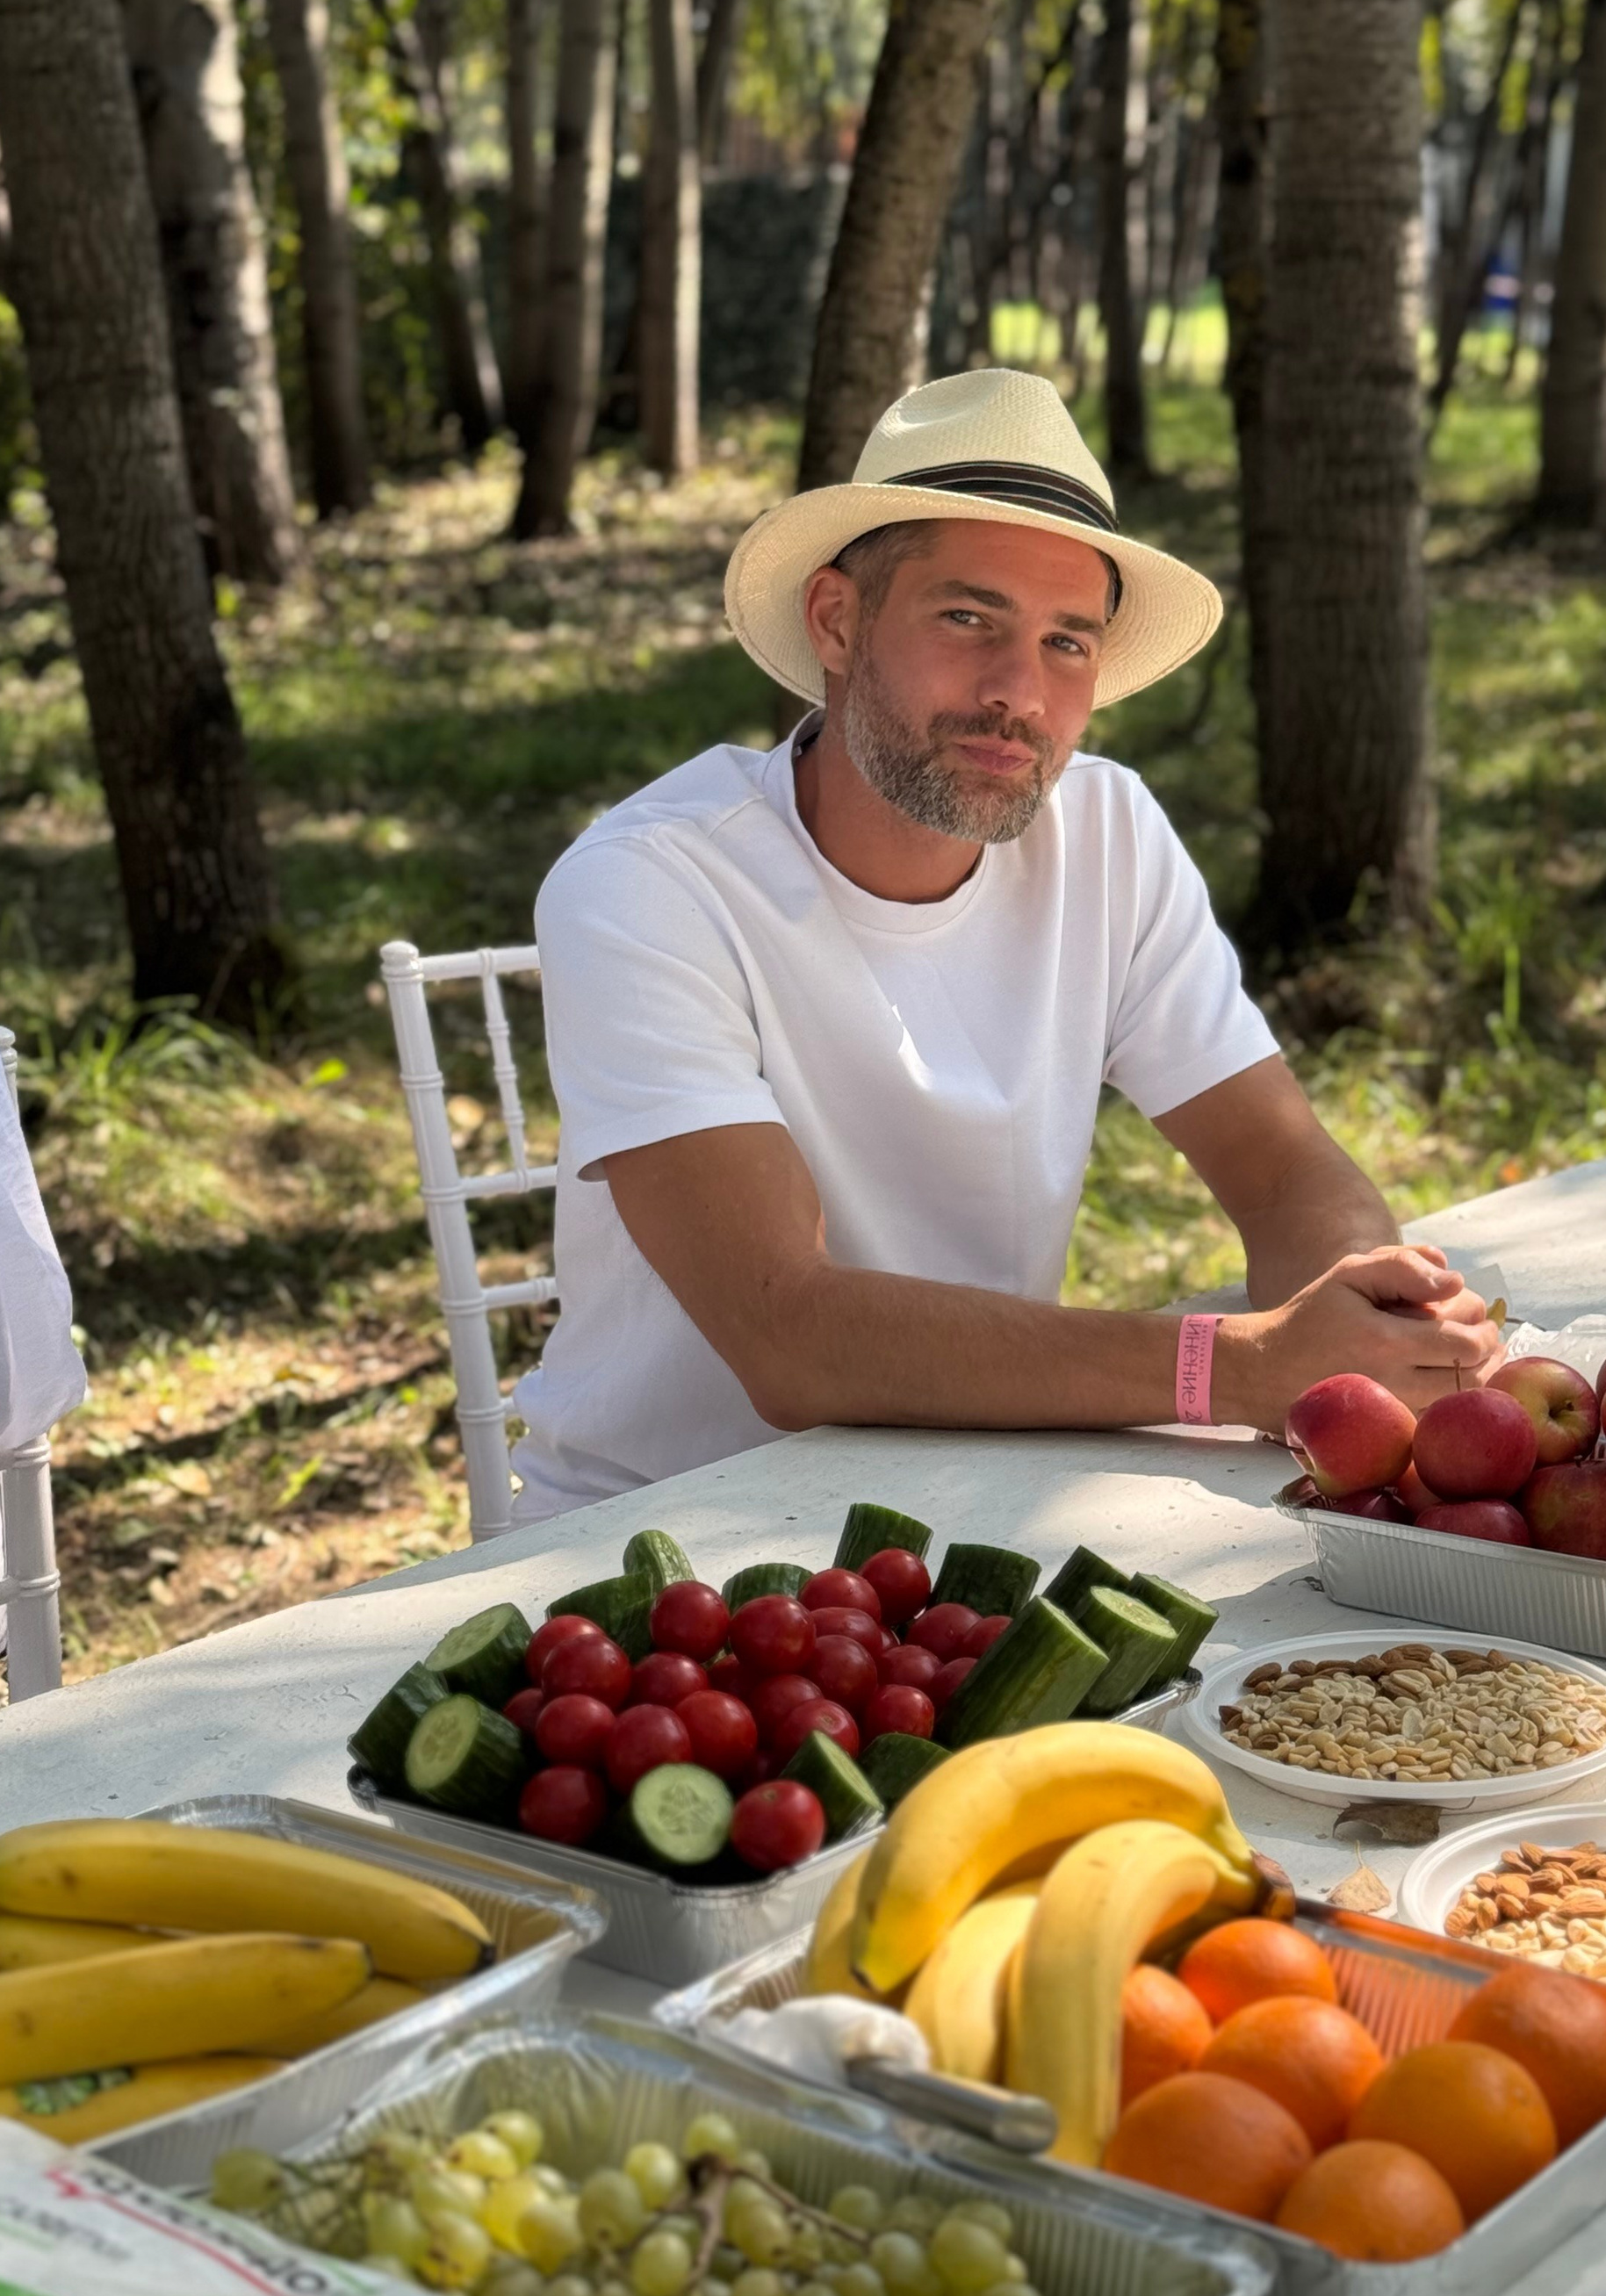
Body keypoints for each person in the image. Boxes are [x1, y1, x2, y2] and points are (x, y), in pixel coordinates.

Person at [508, 368, 1502, 1518]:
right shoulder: (652, 883)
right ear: (838, 620)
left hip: (968, 1502)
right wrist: (1231, 1364)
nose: (1018, 694)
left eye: (1067, 643)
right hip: (660, 1552)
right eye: (968, 619)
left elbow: (1283, 1170)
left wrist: (1366, 1327)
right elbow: (790, 1336)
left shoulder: (1109, 832)